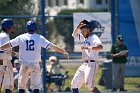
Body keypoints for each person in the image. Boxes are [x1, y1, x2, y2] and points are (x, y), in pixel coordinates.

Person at [0, 21, 69, 93]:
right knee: (36, 86)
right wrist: (63, 51)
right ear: (36, 29)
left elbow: (8, 44)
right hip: (35, 64)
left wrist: (0, 47)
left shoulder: (21, 37)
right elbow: (52, 46)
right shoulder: (39, 37)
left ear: (27, 28)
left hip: (24, 64)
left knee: (22, 86)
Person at [71, 20, 103, 93]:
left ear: (88, 29)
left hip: (92, 64)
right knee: (74, 84)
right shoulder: (84, 37)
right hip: (85, 64)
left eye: (83, 31)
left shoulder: (93, 37)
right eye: (81, 31)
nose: (82, 33)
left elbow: (100, 47)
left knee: (89, 85)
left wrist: (88, 47)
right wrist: (78, 26)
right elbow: (74, 35)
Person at [0, 18, 16, 93]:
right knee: (9, 85)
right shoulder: (5, 36)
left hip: (1, 62)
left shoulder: (1, 35)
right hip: (4, 62)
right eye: (12, 26)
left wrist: (16, 54)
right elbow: (4, 51)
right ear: (8, 27)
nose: (13, 28)